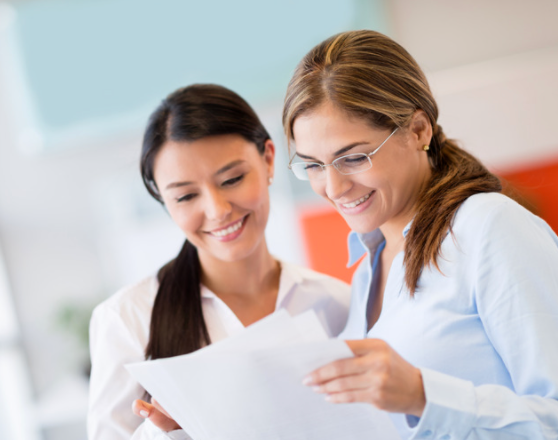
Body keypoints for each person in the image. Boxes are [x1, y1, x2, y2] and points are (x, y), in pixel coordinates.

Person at [282, 29, 558, 439]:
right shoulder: (366, 273)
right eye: (313, 166)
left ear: (418, 130)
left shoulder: (490, 228)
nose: (334, 188)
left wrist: (423, 395)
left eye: (354, 157)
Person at [87, 84, 351, 440]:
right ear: (164, 202)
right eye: (185, 196)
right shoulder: (128, 320)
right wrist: (164, 432)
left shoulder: (337, 303)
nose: (217, 211)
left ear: (269, 159)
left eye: (232, 179)